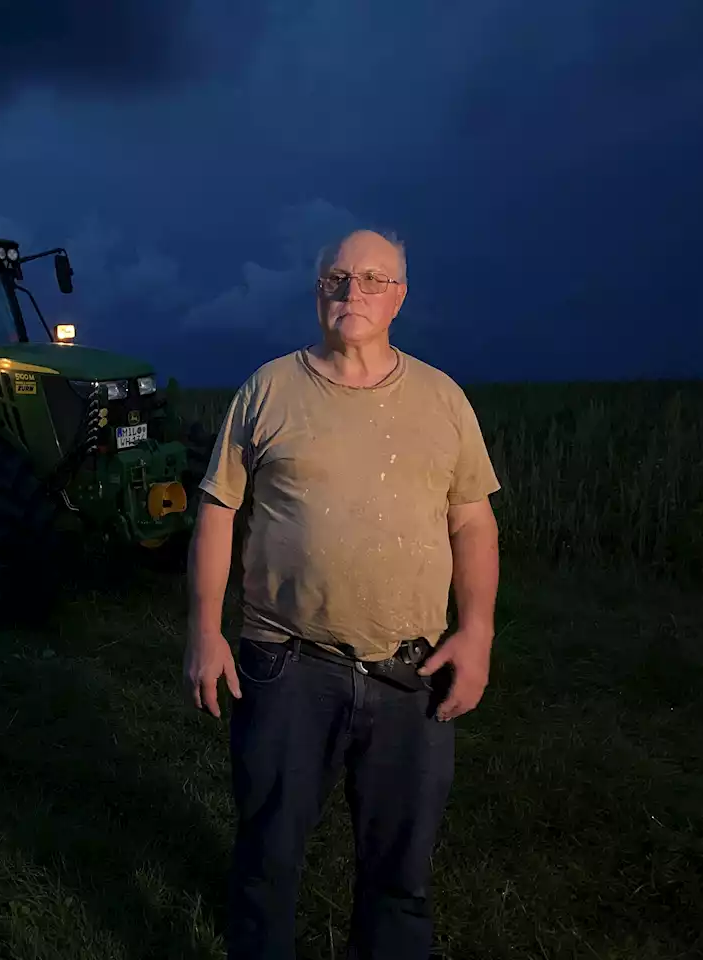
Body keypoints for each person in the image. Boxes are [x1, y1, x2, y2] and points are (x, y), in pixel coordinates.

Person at [183, 228, 501, 960]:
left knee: (400, 873)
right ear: (317, 290)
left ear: (400, 298)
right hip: (287, 664)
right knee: (267, 858)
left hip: (410, 672)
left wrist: (477, 630)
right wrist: (205, 629)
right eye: (336, 278)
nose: (350, 293)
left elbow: (473, 520)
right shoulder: (268, 389)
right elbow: (218, 511)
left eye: (371, 279)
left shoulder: (442, 398)